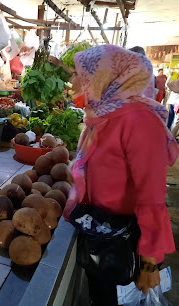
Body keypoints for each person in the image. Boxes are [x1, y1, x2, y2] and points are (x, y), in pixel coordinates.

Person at [61, 45, 178, 306]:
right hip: (103, 231)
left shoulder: (139, 120)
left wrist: (149, 261)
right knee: (101, 296)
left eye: (81, 75)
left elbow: (152, 194)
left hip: (128, 240)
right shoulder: (105, 115)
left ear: (105, 78)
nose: (74, 82)